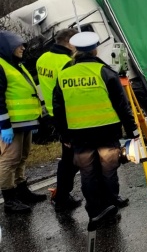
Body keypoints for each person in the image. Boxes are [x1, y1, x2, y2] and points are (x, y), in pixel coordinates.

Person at [52, 31, 139, 229]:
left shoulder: (64, 74)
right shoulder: (105, 72)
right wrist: (132, 129)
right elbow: (121, 105)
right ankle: (109, 206)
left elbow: (58, 107)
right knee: (108, 171)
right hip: (106, 131)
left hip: (78, 133)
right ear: (94, 49)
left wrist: (63, 134)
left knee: (88, 173)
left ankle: (94, 211)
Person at [36, 28, 82, 212]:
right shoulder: (67, 62)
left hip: (54, 114)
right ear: (70, 42)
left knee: (69, 157)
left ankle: (62, 194)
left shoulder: (42, 59)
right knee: (73, 158)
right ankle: (62, 197)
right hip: (69, 114)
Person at [0, 30, 45, 214]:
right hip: (11, 124)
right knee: (9, 160)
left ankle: (21, 189)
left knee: (22, 157)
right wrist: (4, 126)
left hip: (24, 122)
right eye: (18, 45)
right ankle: (9, 199)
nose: (23, 48)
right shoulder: (2, 66)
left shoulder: (16, 64)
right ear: (7, 47)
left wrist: (34, 119)